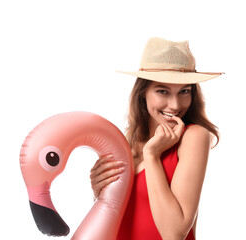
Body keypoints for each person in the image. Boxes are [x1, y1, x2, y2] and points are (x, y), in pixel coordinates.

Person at [90, 37, 224, 240]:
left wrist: (152, 156)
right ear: (143, 92)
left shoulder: (194, 137)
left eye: (184, 91)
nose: (175, 105)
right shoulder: (126, 141)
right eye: (162, 91)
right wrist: (99, 192)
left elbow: (174, 233)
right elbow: (114, 219)